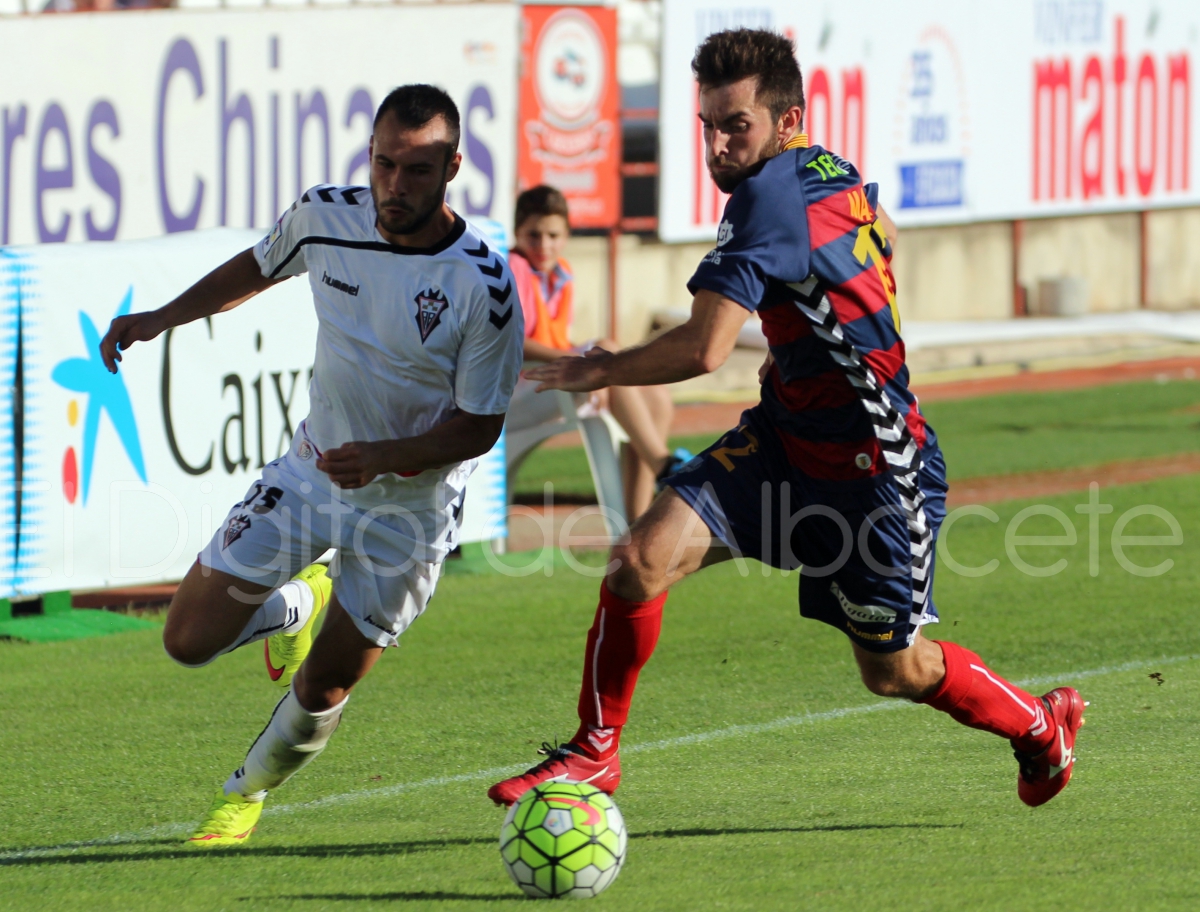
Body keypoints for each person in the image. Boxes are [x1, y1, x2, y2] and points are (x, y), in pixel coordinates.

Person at [488, 29, 1085, 810]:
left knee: (893, 671)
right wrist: (817, 333)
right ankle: (594, 753)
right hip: (784, 442)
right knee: (639, 558)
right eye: (707, 123)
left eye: (735, 124)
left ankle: (1041, 728)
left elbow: (705, 348)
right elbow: (883, 232)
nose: (717, 143)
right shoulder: (824, 168)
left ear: (787, 119)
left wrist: (600, 368)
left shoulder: (767, 197)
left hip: (875, 474)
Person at [100, 84, 523, 846]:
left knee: (326, 686)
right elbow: (257, 267)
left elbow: (480, 428)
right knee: (186, 641)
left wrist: (389, 458)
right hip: (311, 475)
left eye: (418, 171)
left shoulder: (484, 288)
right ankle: (295, 606)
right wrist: (163, 317)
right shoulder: (326, 214)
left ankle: (244, 794)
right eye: (384, 165)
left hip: (409, 514)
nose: (395, 186)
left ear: (455, 166)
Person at [509, 185, 690, 520]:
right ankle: (663, 465)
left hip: (547, 380)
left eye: (553, 235)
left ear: (566, 235)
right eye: (533, 235)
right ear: (517, 233)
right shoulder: (512, 267)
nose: (544, 244)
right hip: (517, 391)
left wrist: (584, 366)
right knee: (606, 353)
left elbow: (557, 339)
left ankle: (639, 523)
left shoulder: (561, 273)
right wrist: (580, 365)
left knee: (655, 394)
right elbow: (510, 343)